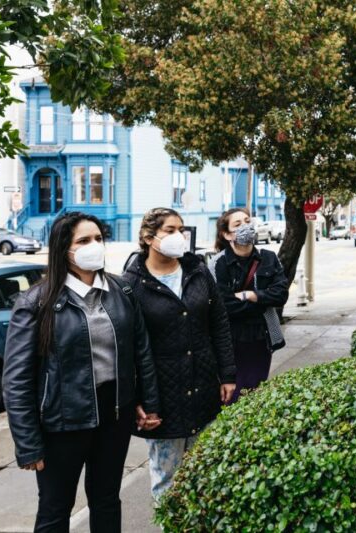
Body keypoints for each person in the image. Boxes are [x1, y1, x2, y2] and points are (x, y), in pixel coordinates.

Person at [2, 212, 161, 533]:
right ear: (65, 249)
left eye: (99, 238)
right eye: (84, 240)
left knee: (106, 500)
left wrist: (148, 402)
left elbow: (140, 351)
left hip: (114, 416)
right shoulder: (36, 302)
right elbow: (16, 380)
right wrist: (28, 443)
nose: (94, 245)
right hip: (62, 422)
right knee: (55, 509)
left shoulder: (120, 290)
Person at [122, 207, 236, 500]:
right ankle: (170, 521)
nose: (179, 236)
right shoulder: (131, 283)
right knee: (167, 478)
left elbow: (219, 323)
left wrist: (227, 374)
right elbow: (128, 348)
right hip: (162, 396)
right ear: (149, 237)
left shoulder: (198, 270)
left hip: (203, 386)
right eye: (170, 230)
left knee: (205, 474)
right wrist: (137, 399)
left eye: (181, 230)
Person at [208, 208, 289, 402]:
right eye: (237, 224)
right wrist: (262, 301)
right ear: (227, 234)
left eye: (247, 221)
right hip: (230, 340)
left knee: (255, 393)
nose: (246, 226)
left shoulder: (269, 258)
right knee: (231, 395)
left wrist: (251, 295)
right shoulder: (217, 264)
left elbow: (280, 295)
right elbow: (224, 306)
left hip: (262, 337)